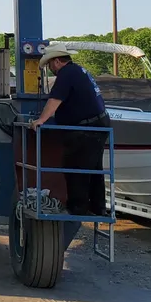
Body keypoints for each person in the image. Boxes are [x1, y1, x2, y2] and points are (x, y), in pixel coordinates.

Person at [32, 45, 109, 216]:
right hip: (98, 124)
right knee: (94, 168)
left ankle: (77, 208)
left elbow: (55, 100)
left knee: (75, 165)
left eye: (50, 64)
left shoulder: (66, 74)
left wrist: (41, 120)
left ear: (57, 61)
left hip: (86, 128)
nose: (50, 69)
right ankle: (98, 207)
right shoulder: (78, 70)